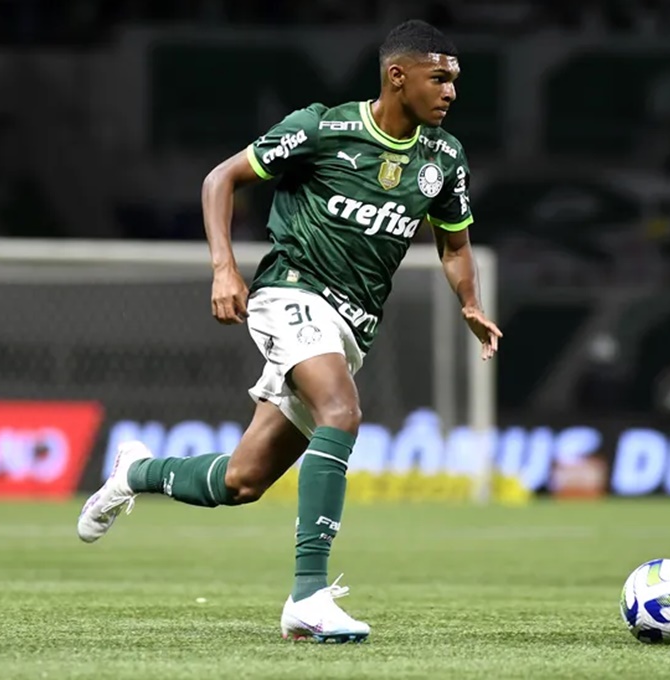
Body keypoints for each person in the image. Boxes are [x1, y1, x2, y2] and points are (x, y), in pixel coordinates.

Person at [76, 19, 502, 643]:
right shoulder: (322, 129)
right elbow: (220, 179)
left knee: (242, 481)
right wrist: (225, 268)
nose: (450, 92)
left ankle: (134, 472)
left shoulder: (443, 159)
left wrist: (469, 301)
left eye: (455, 80)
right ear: (397, 75)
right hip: (290, 294)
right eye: (439, 78)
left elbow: (454, 244)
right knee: (342, 411)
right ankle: (308, 597)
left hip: (351, 326)